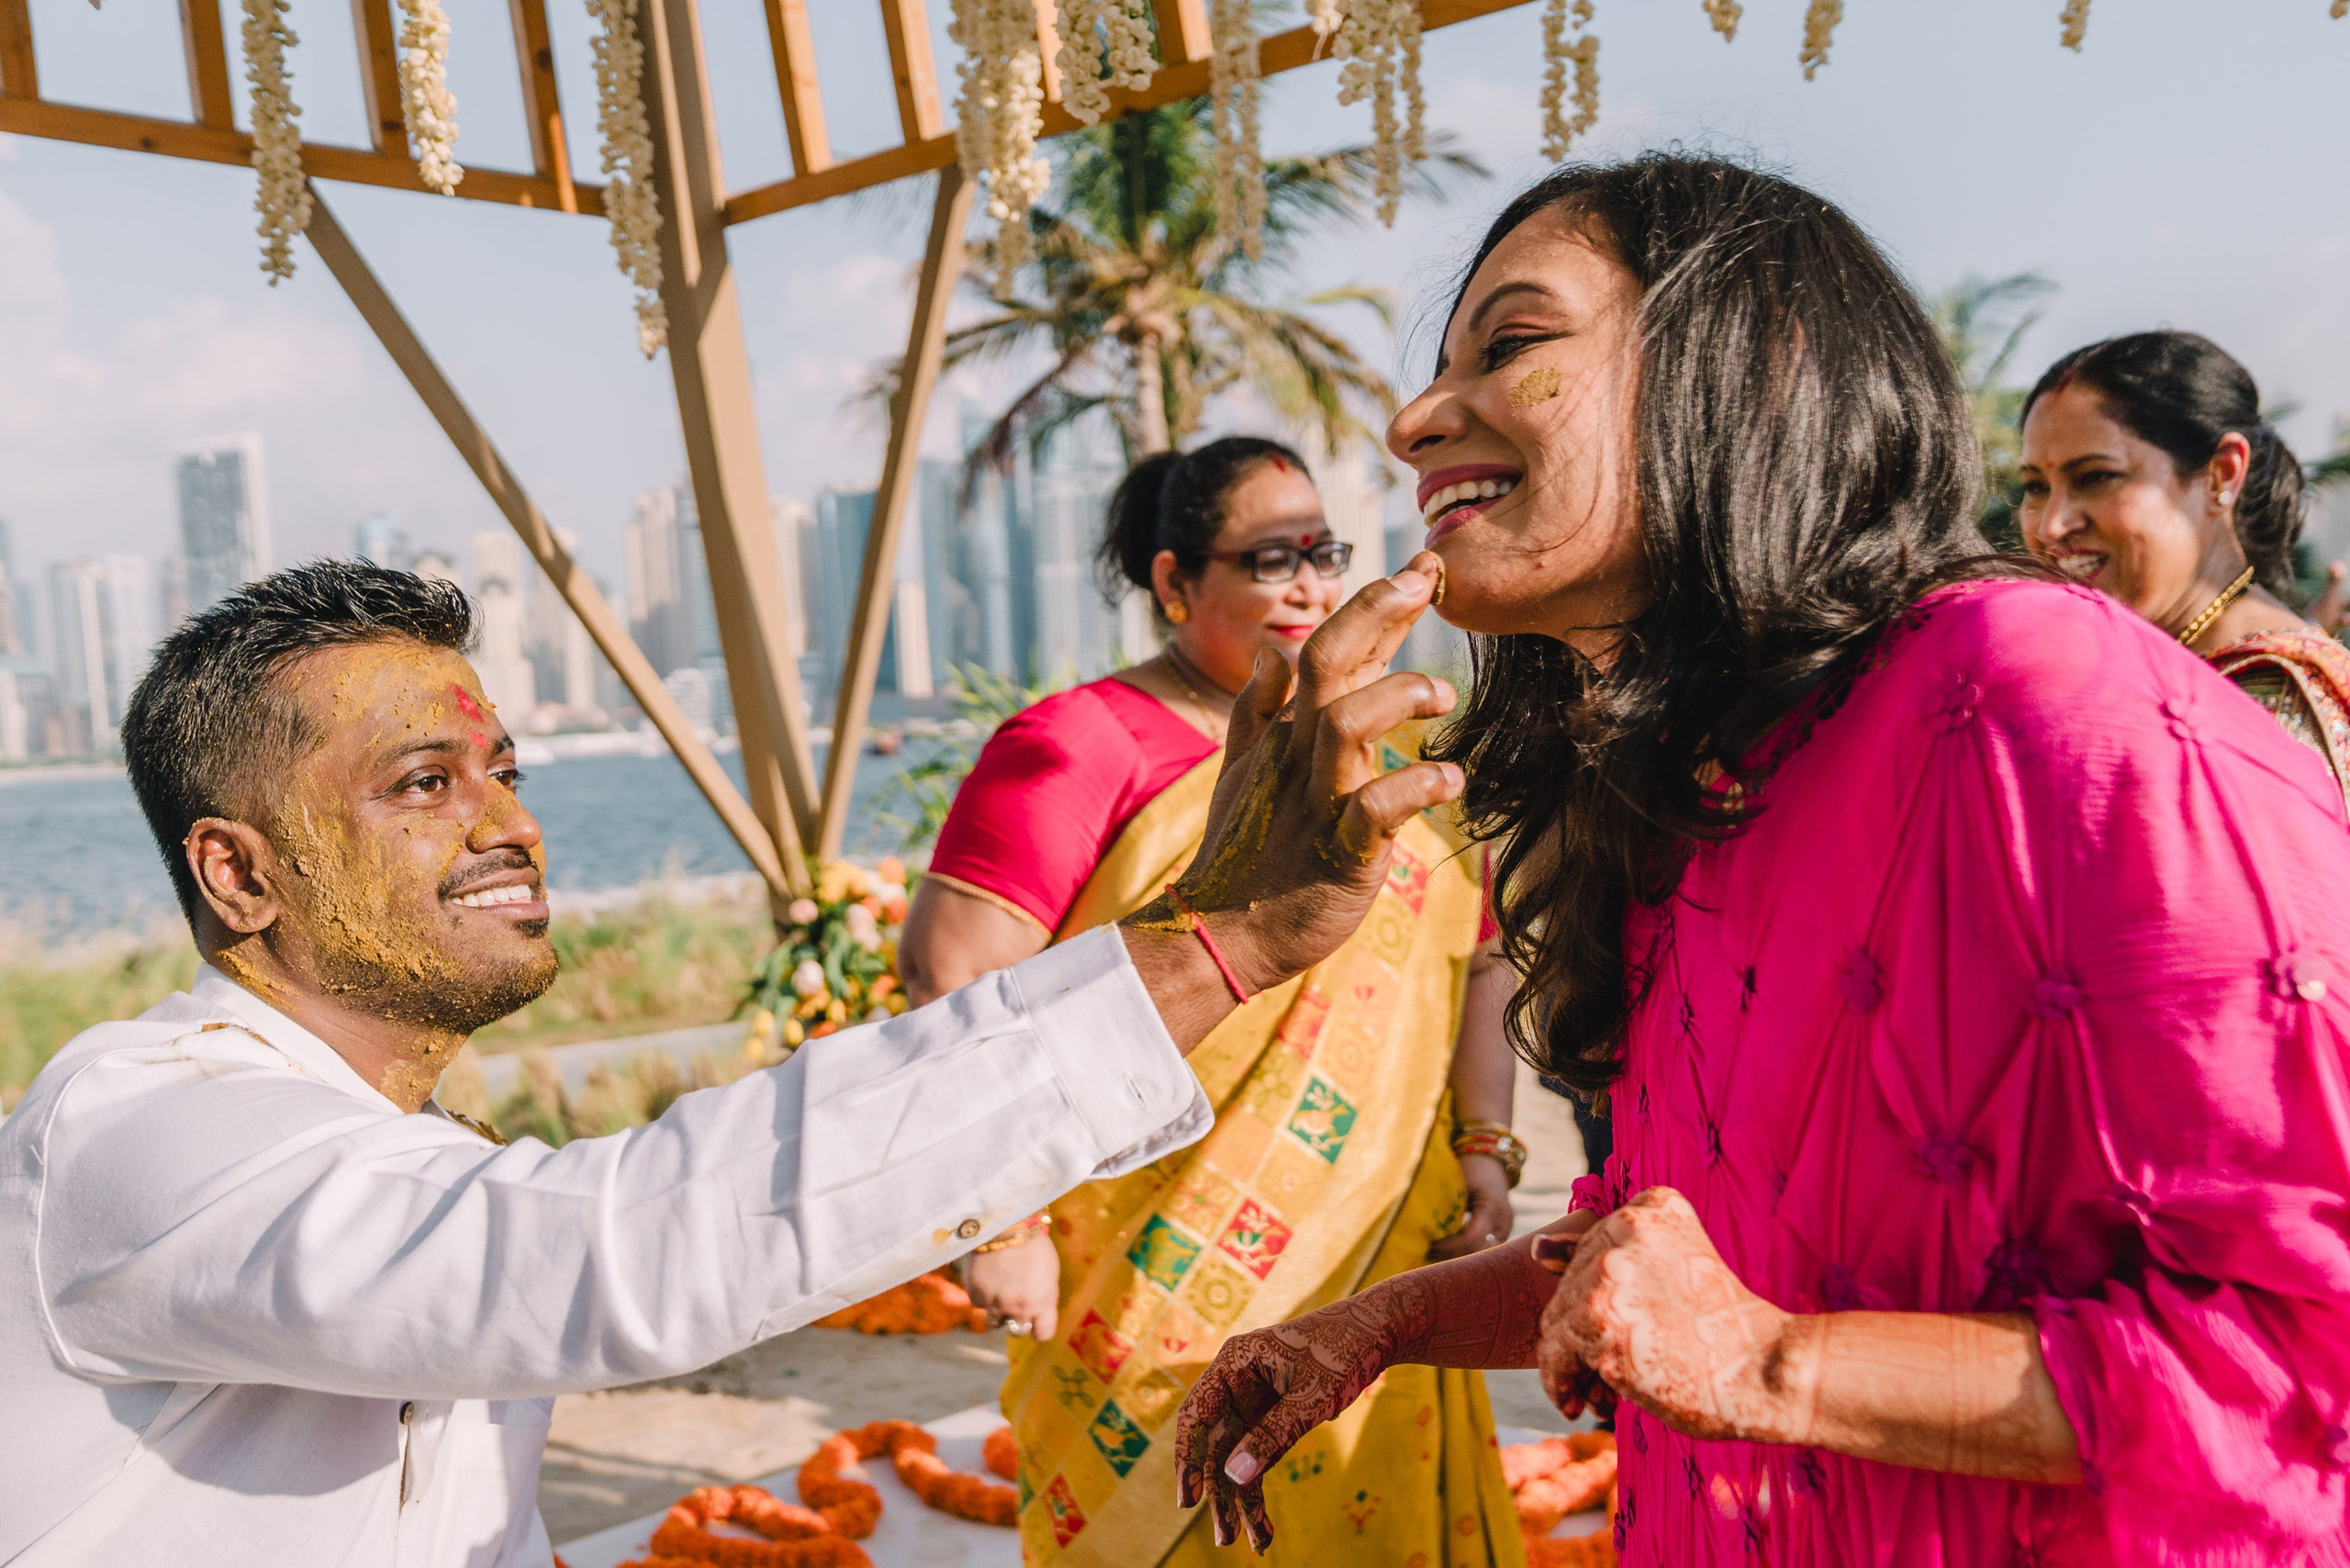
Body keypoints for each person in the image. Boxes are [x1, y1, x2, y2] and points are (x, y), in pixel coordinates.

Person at [1171, 155, 2350, 1565]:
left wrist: (1777, 1365)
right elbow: (1669, 1254)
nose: (1417, 420)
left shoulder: (2029, 686)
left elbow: (2305, 1352)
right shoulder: (1688, 778)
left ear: (1754, 363)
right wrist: (1381, 1325)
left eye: (1516, 343)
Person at [0, 555, 1462, 1568]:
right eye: (424, 783)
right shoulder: (138, 1135)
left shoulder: (403, 1152)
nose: (506, 823)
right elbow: (602, 1256)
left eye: (507, 769)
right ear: (237, 877)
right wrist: (1203, 950)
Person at [896, 437, 1528, 1567]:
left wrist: (1484, 1145)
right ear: (1176, 582)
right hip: (1141, 1270)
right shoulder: (1081, 743)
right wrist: (1002, 1222)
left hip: (1384, 1251)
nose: (1308, 584)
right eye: (1268, 557)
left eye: (1323, 552)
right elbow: (951, 976)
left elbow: (1477, 957)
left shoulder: (1388, 744)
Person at [2018, 330, 2350, 805]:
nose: (2052, 525)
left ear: (2222, 474)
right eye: (2034, 486)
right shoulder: (2163, 659)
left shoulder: (2264, 701)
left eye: (2095, 477)